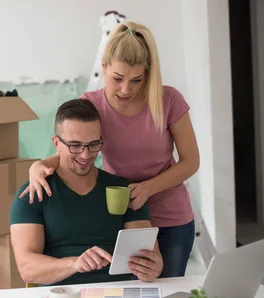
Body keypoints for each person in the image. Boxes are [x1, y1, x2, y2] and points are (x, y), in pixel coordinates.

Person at [21, 21, 199, 279]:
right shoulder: (91, 105)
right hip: (122, 219)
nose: (126, 89)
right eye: (117, 78)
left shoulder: (168, 100)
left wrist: (148, 188)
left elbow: (191, 161)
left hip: (170, 219)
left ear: (148, 73)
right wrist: (38, 166)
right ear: (104, 66)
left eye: (137, 80)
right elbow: (72, 148)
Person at [10, 98, 163, 286]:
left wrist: (153, 267)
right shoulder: (33, 193)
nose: (85, 155)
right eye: (75, 145)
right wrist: (75, 264)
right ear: (56, 143)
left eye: (93, 144)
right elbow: (27, 269)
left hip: (119, 294)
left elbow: (146, 254)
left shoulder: (124, 190)